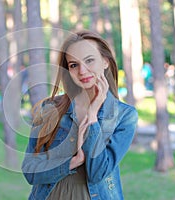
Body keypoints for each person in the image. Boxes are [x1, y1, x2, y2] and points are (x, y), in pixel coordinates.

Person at [22, 30, 138, 200]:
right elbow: (30, 171)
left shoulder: (124, 116)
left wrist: (92, 117)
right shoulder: (50, 108)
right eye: (74, 65)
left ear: (105, 61)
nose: (82, 71)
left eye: (89, 60)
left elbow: (98, 173)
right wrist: (70, 164)